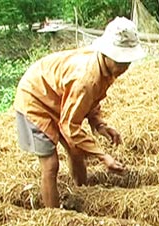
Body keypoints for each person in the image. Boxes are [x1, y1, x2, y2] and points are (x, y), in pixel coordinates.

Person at [14, 17, 146, 208]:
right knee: (50, 165)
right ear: (107, 54)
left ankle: (82, 193)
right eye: (121, 61)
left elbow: (89, 101)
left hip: (57, 97)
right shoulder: (86, 78)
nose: (125, 68)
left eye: (128, 62)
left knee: (76, 150)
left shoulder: (106, 69)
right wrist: (103, 156)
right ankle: (54, 218)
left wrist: (99, 124)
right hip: (35, 99)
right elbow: (70, 125)